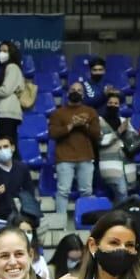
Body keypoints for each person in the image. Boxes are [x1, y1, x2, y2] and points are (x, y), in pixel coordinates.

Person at [48, 81, 102, 211]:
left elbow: (96, 134)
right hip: (64, 158)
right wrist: (71, 125)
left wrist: (84, 125)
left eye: (79, 90)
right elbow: (53, 133)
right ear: (67, 93)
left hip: (86, 157)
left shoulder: (91, 112)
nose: (75, 92)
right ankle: (60, 221)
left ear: (83, 95)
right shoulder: (58, 113)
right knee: (63, 191)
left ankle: (85, 219)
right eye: (73, 90)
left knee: (86, 191)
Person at [0, 136, 32, 236]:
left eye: (5, 146)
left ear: (13, 148)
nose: (2, 150)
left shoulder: (22, 168)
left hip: (18, 220)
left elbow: (30, 193)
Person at [95, 89, 135, 201]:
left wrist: (128, 132)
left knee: (125, 192)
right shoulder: (99, 121)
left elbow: (134, 139)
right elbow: (100, 140)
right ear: (106, 104)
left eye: (116, 103)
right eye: (110, 103)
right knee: (122, 191)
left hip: (126, 164)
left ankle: (118, 211)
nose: (113, 105)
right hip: (109, 164)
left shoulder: (124, 121)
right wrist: (118, 132)